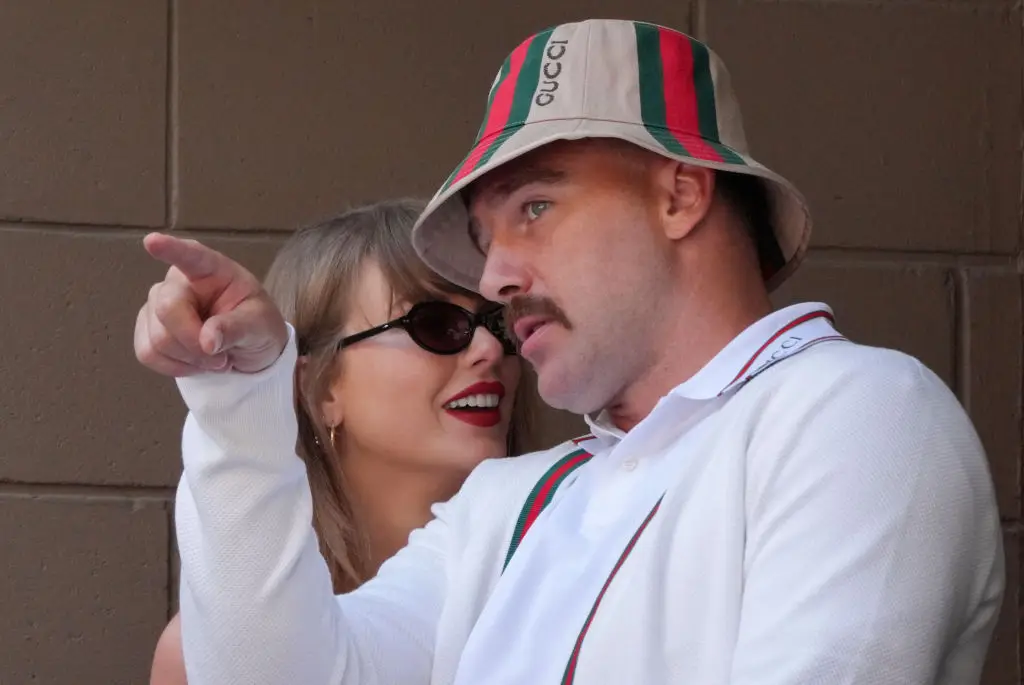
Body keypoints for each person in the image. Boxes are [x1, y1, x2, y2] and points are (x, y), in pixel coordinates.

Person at [134, 19, 1005, 685]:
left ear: (680, 194)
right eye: (485, 235)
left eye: (535, 209)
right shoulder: (518, 498)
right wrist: (242, 401)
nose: (499, 279)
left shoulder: (855, 411)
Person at [140, 199, 527, 684]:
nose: (489, 350)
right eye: (435, 325)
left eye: (499, 325)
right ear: (318, 388)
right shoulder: (206, 650)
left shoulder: (561, 569)